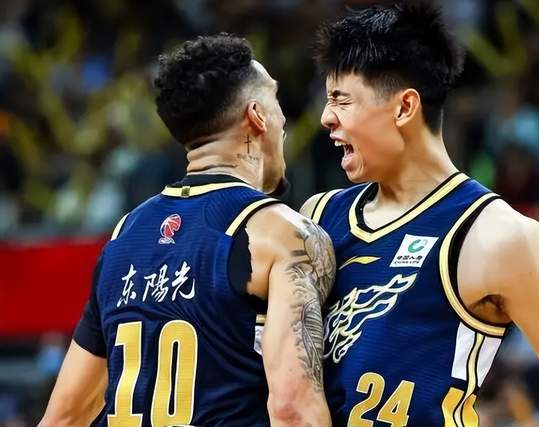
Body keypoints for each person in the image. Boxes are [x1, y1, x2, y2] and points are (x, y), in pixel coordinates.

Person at [300, 3, 539, 426]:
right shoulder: (318, 217)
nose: (326, 118)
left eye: (342, 100)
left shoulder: (499, 235)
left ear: (404, 107)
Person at [39, 34, 335, 427]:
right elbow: (293, 410)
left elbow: (63, 417)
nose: (284, 122)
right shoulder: (281, 233)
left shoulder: (125, 234)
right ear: (257, 115)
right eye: (275, 101)